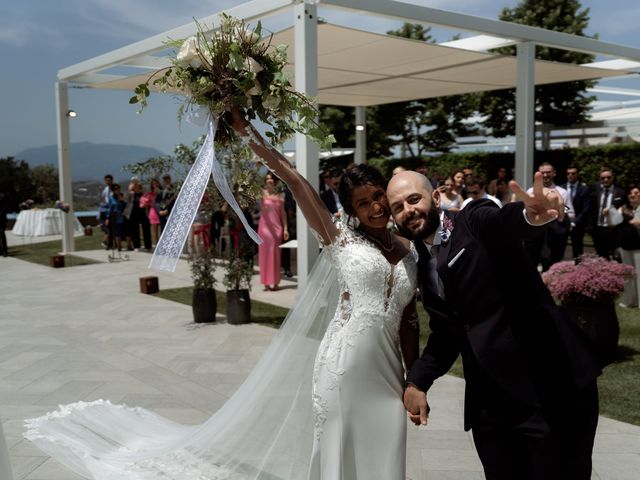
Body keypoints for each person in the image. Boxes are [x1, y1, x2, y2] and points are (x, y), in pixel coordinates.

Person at [24, 111, 421, 479]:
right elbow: (294, 180)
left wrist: (413, 380)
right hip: (344, 366)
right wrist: (245, 127)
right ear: (350, 209)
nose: (374, 208)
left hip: (388, 375)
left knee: (386, 449)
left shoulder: (410, 250)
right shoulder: (339, 239)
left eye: (377, 198)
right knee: (338, 448)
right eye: (362, 203)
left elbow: (408, 318)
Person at [387, 170, 601, 480]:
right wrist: (418, 381)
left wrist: (529, 217)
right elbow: (449, 331)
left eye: (414, 199)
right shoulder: (421, 260)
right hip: (491, 405)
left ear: (436, 197)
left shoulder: (472, 220)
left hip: (550, 388)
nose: (408, 210)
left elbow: (502, 223)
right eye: (398, 206)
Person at [524, 163, 573, 271]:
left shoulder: (563, 192)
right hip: (534, 236)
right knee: (530, 266)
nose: (545, 175)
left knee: (551, 266)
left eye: (548, 172)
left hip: (553, 237)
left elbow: (571, 214)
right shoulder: (530, 192)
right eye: (542, 173)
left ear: (554, 173)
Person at [258, 172, 289, 291]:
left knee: (275, 255)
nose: (269, 180)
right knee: (264, 254)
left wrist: (285, 228)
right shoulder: (261, 193)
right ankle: (265, 282)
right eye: (267, 179)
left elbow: (283, 213)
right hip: (264, 228)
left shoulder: (281, 194)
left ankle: (275, 282)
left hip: (277, 228)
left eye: (271, 179)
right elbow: (247, 188)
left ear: (275, 180)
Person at [589, 167, 625, 259]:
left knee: (617, 257)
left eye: (608, 177)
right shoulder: (595, 193)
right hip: (598, 230)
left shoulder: (620, 192)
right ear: (600, 179)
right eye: (603, 178)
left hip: (614, 230)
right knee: (602, 259)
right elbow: (590, 211)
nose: (606, 180)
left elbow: (624, 209)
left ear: (613, 177)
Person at [616, 185, 640, 308]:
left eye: (636, 192)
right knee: (628, 274)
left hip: (638, 247)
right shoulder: (623, 208)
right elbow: (613, 222)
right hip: (625, 246)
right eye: (630, 193)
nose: (633, 195)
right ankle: (630, 301)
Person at [560, 165, 591, 258]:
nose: (570, 175)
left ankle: (578, 270)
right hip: (563, 223)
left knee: (577, 249)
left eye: (573, 173)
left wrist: (574, 222)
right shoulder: (561, 188)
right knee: (560, 247)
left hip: (578, 224)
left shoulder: (584, 189)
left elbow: (586, 209)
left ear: (577, 174)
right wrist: (566, 219)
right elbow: (561, 205)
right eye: (568, 173)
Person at [98, 174, 114, 249]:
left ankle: (109, 244)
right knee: (106, 229)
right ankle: (105, 242)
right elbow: (103, 200)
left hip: (111, 211)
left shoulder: (113, 189)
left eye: (109, 180)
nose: (108, 182)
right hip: (104, 211)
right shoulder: (105, 190)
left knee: (110, 229)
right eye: (107, 180)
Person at [0, 192, 9, 257]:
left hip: (1, 219)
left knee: (2, 234)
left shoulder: (2, 196)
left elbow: (4, 208)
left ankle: (4, 251)